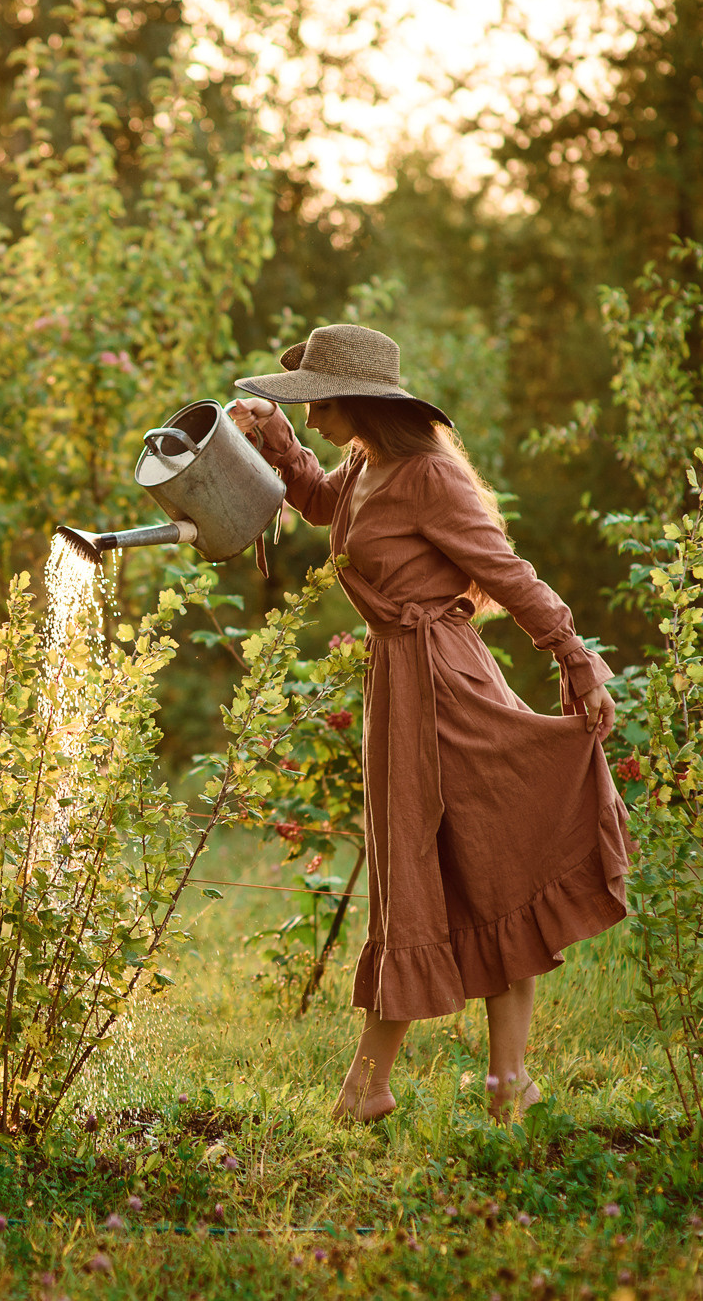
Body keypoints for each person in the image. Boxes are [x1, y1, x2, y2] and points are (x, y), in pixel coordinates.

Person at [228, 323, 633, 1125]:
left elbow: (506, 573)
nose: (308, 414)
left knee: (497, 868)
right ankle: (407, 1086)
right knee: (415, 873)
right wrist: (271, 438)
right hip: (400, 686)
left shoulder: (427, 477)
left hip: (447, 685)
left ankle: (443, 1086)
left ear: (358, 401)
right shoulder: (365, 465)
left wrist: (574, 656)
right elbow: (319, 502)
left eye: (314, 402)